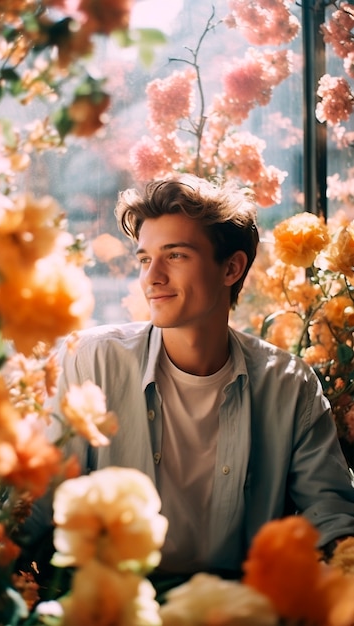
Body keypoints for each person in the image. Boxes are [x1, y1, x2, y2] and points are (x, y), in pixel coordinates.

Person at [23, 174, 354, 595]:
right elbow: (33, 509)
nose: (151, 277)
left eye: (175, 255)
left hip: (238, 615)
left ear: (231, 268)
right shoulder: (90, 362)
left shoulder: (289, 386)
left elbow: (332, 523)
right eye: (145, 259)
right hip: (110, 609)